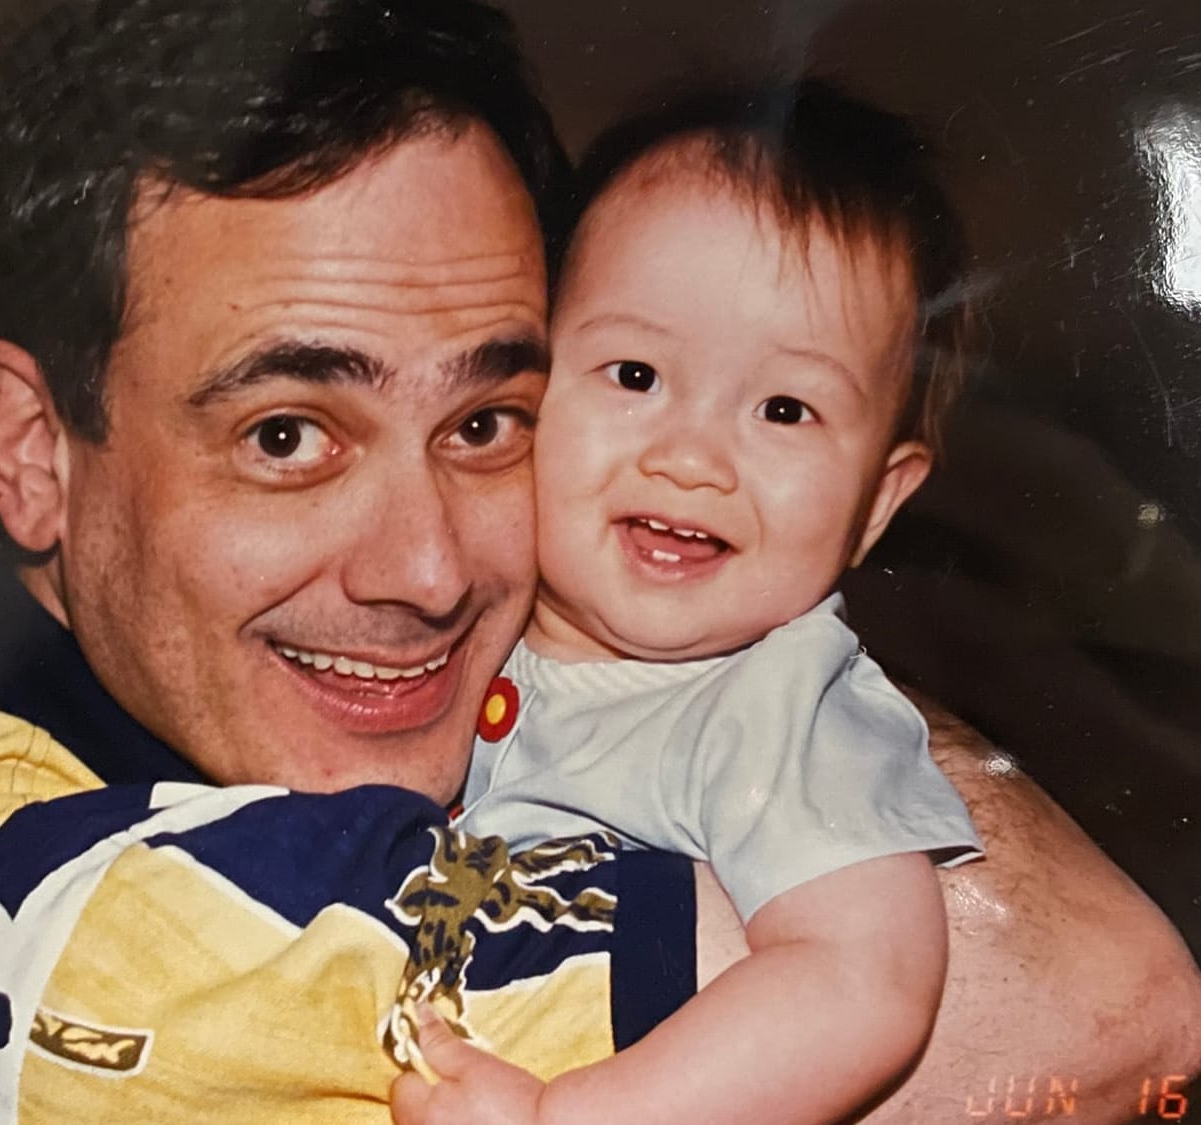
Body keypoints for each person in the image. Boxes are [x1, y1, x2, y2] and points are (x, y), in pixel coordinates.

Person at [0, 0, 1201, 1122]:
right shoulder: (55, 944)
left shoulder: (33, 697)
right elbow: (1095, 995)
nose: (427, 569)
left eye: (487, 420)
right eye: (288, 433)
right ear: (35, 449)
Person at [387, 81, 984, 1125]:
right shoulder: (461, 609)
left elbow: (858, 982)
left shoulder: (783, 710)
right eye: (634, 374)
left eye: (784, 408)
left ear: (877, 502)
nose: (692, 457)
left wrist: (566, 1117)